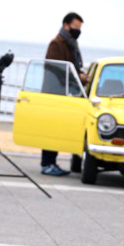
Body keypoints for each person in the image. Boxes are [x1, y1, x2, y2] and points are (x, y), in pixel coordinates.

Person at [41, 12, 89, 176]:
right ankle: (47, 164)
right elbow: (57, 69)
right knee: (51, 130)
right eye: (75, 27)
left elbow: (71, 66)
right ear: (65, 25)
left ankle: (52, 162)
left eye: (79, 28)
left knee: (56, 130)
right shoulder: (56, 43)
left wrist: (80, 75)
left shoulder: (70, 43)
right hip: (54, 93)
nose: (78, 31)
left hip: (63, 94)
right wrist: (78, 77)